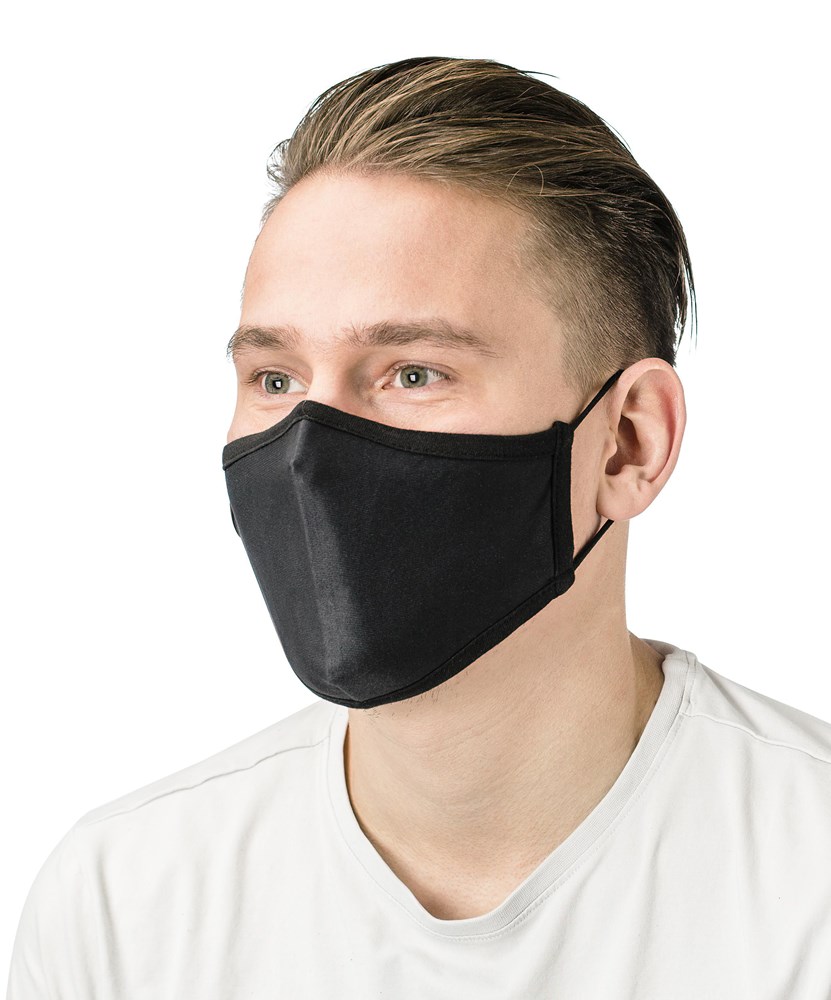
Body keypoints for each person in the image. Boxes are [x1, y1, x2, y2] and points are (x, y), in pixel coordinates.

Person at [7, 55, 831, 1000]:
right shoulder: (125, 906)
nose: (309, 453)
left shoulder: (805, 883)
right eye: (275, 379)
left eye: (413, 373)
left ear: (627, 444)